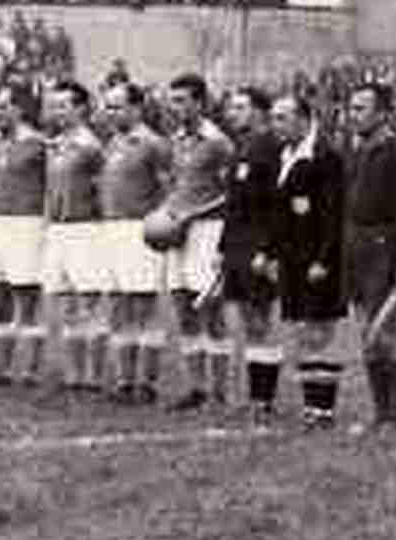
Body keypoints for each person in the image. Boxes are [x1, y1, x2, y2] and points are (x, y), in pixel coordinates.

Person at [344, 82, 396, 434]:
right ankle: (381, 413)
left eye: (361, 108)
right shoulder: (358, 151)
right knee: (367, 332)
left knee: (388, 333)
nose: (353, 115)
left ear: (382, 113)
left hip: (385, 252)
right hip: (358, 251)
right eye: (351, 108)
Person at [148, 73, 232, 412]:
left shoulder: (218, 142)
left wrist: (193, 213)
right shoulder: (176, 140)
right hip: (177, 232)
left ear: (200, 102)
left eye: (182, 100)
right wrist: (165, 213)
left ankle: (219, 391)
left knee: (210, 309)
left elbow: (231, 194)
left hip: (208, 231)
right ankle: (195, 388)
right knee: (182, 307)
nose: (175, 107)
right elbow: (176, 185)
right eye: (172, 100)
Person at [270, 94, 348, 429]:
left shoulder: (325, 156)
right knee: (303, 331)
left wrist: (324, 259)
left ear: (304, 119)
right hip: (293, 258)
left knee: (320, 332)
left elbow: (334, 214)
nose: (276, 125)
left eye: (283, 118)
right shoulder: (285, 154)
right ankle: (312, 407)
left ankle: (324, 410)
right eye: (274, 118)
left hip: (317, 259)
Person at [96, 82, 172, 402]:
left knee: (144, 308)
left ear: (136, 108)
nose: (110, 113)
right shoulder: (111, 143)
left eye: (117, 107)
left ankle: (148, 384)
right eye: (108, 106)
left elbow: (170, 189)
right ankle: (125, 381)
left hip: (141, 232)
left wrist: (162, 226)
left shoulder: (154, 144)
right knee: (117, 307)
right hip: (112, 232)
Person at [220, 87, 284, 421]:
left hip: (257, 244)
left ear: (260, 111)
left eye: (241, 107)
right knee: (246, 318)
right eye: (232, 107)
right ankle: (255, 395)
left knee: (260, 319)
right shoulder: (240, 149)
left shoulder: (270, 146)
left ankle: (264, 397)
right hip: (237, 245)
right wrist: (222, 248)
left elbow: (277, 203)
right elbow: (233, 204)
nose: (234, 113)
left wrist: (268, 249)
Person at [0, 83, 48, 386]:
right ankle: (2, 368)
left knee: (27, 296)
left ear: (18, 109)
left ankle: (30, 370)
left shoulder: (38, 144)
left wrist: (46, 226)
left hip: (26, 224)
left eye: (2, 107)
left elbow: (50, 187)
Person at [42, 81, 106, 392]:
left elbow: (103, 190)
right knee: (66, 303)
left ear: (81, 108)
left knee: (89, 301)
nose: (58, 112)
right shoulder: (54, 144)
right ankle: (74, 373)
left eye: (64, 106)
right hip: (58, 230)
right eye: (54, 106)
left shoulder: (91, 147)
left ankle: (94, 375)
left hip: (85, 229)